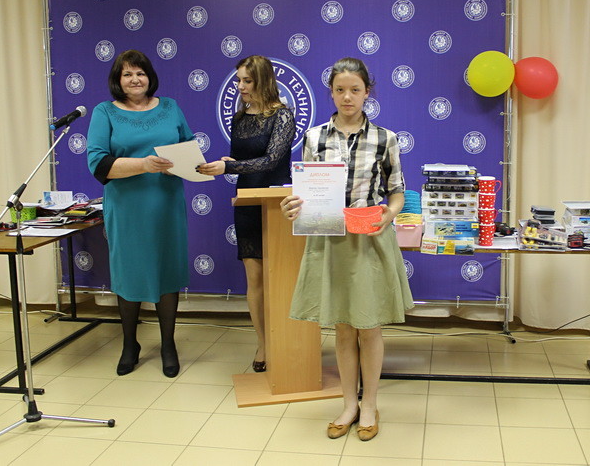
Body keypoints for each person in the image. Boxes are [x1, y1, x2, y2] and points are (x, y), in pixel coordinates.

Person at [280, 57, 414, 441]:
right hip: (329, 238)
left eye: (355, 89)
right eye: (340, 90)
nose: (347, 97)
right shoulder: (314, 138)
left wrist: (390, 214)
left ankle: (369, 404)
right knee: (341, 328)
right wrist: (294, 205)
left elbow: (397, 192)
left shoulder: (385, 138)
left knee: (369, 326)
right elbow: (305, 192)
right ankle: (348, 404)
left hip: (369, 238)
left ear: (367, 92)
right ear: (331, 93)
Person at [86, 49, 194, 378]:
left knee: (166, 270)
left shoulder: (171, 107)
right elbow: (98, 164)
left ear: (150, 77)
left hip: (166, 203)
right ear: (117, 80)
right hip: (127, 207)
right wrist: (143, 164)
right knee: (129, 272)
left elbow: (188, 148)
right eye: (128, 74)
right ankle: (129, 344)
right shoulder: (104, 112)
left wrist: (187, 163)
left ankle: (168, 344)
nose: (135, 79)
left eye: (141, 73)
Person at [196, 55, 295, 373]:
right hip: (248, 204)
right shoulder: (239, 117)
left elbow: (271, 160)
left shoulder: (283, 115)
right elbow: (240, 159)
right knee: (255, 280)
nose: (240, 86)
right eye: (238, 80)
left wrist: (229, 166)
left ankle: (287, 341)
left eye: (247, 81)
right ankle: (263, 343)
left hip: (278, 205)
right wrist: (228, 162)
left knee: (281, 278)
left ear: (263, 81)